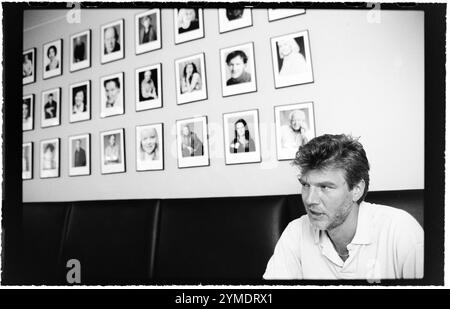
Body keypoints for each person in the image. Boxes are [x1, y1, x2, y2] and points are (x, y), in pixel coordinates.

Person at [263, 134, 424, 280]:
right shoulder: (296, 232)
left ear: (356, 190)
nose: (310, 199)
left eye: (325, 187)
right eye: (305, 185)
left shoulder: (401, 232)